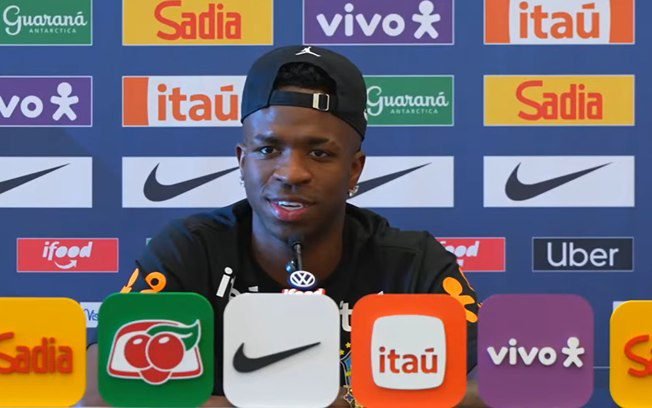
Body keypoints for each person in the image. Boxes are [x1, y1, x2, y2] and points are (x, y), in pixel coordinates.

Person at [84, 45, 483, 407]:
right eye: (268, 149)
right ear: (242, 162)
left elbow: (492, 388)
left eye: (319, 153)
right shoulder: (190, 250)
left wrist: (344, 401)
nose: (291, 173)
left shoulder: (413, 265)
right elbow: (98, 390)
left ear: (354, 169)